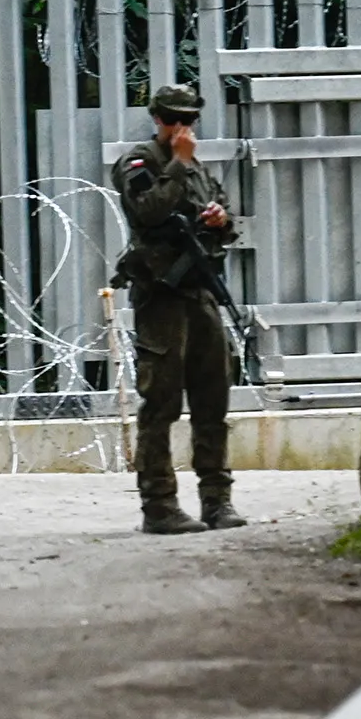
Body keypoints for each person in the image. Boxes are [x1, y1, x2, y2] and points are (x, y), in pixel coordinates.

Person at [110, 84, 245, 535]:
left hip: (199, 291)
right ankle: (160, 506)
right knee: (161, 402)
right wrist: (178, 163)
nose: (182, 128)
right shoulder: (140, 161)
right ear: (159, 120)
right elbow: (147, 211)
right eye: (174, 120)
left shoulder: (197, 168)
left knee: (213, 399)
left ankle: (217, 501)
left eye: (188, 120)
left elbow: (224, 213)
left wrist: (219, 220)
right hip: (161, 298)